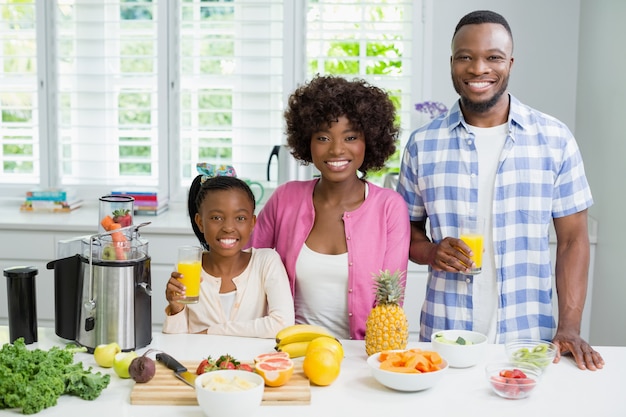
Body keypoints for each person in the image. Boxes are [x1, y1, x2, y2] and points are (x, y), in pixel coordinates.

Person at [397, 10, 604, 370]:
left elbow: (573, 240)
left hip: (529, 342)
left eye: (492, 57)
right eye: (466, 56)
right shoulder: (422, 145)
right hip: (445, 340)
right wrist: (431, 252)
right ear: (452, 63)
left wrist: (569, 327)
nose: (478, 68)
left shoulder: (554, 140)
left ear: (510, 62)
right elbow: (404, 235)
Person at [250, 75, 411, 340]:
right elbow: (246, 269)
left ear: (369, 141)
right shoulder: (285, 199)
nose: (336, 149)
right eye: (323, 137)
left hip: (360, 356)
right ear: (307, 141)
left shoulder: (389, 208)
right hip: (286, 350)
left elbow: (390, 302)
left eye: (350, 137)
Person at [163, 167, 295, 338]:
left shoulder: (266, 262)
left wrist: (211, 332)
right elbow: (177, 343)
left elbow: (282, 324)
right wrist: (176, 308)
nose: (228, 228)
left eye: (240, 218)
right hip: (200, 363)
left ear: (252, 223)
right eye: (217, 218)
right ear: (200, 222)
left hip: (250, 363)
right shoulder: (190, 267)